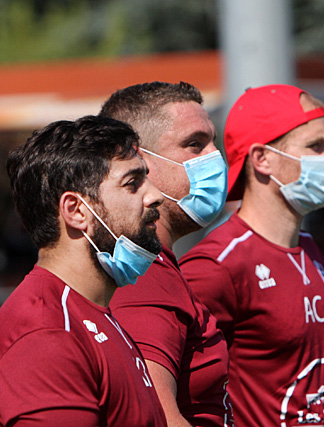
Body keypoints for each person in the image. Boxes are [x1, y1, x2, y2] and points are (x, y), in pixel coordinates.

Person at [0, 116, 167, 426]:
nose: (155, 195)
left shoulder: (87, 312)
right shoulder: (47, 331)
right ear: (77, 211)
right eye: (133, 183)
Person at [179, 84, 324, 426]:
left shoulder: (309, 249)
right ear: (262, 159)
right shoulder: (218, 263)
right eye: (316, 146)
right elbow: (167, 388)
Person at [100, 82, 232, 427]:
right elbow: (154, 416)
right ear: (138, 161)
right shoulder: (142, 276)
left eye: (212, 143)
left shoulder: (157, 267)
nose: (214, 158)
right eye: (194, 145)